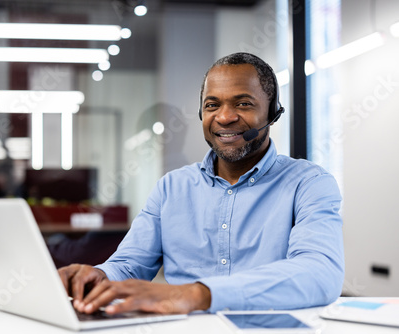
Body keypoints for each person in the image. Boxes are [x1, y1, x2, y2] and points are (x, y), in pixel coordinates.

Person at [58, 52, 344, 315]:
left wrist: (199, 295)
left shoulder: (309, 184)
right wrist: (101, 276)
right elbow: (130, 264)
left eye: (243, 104)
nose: (224, 117)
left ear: (272, 113)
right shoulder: (172, 188)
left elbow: (320, 273)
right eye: (212, 105)